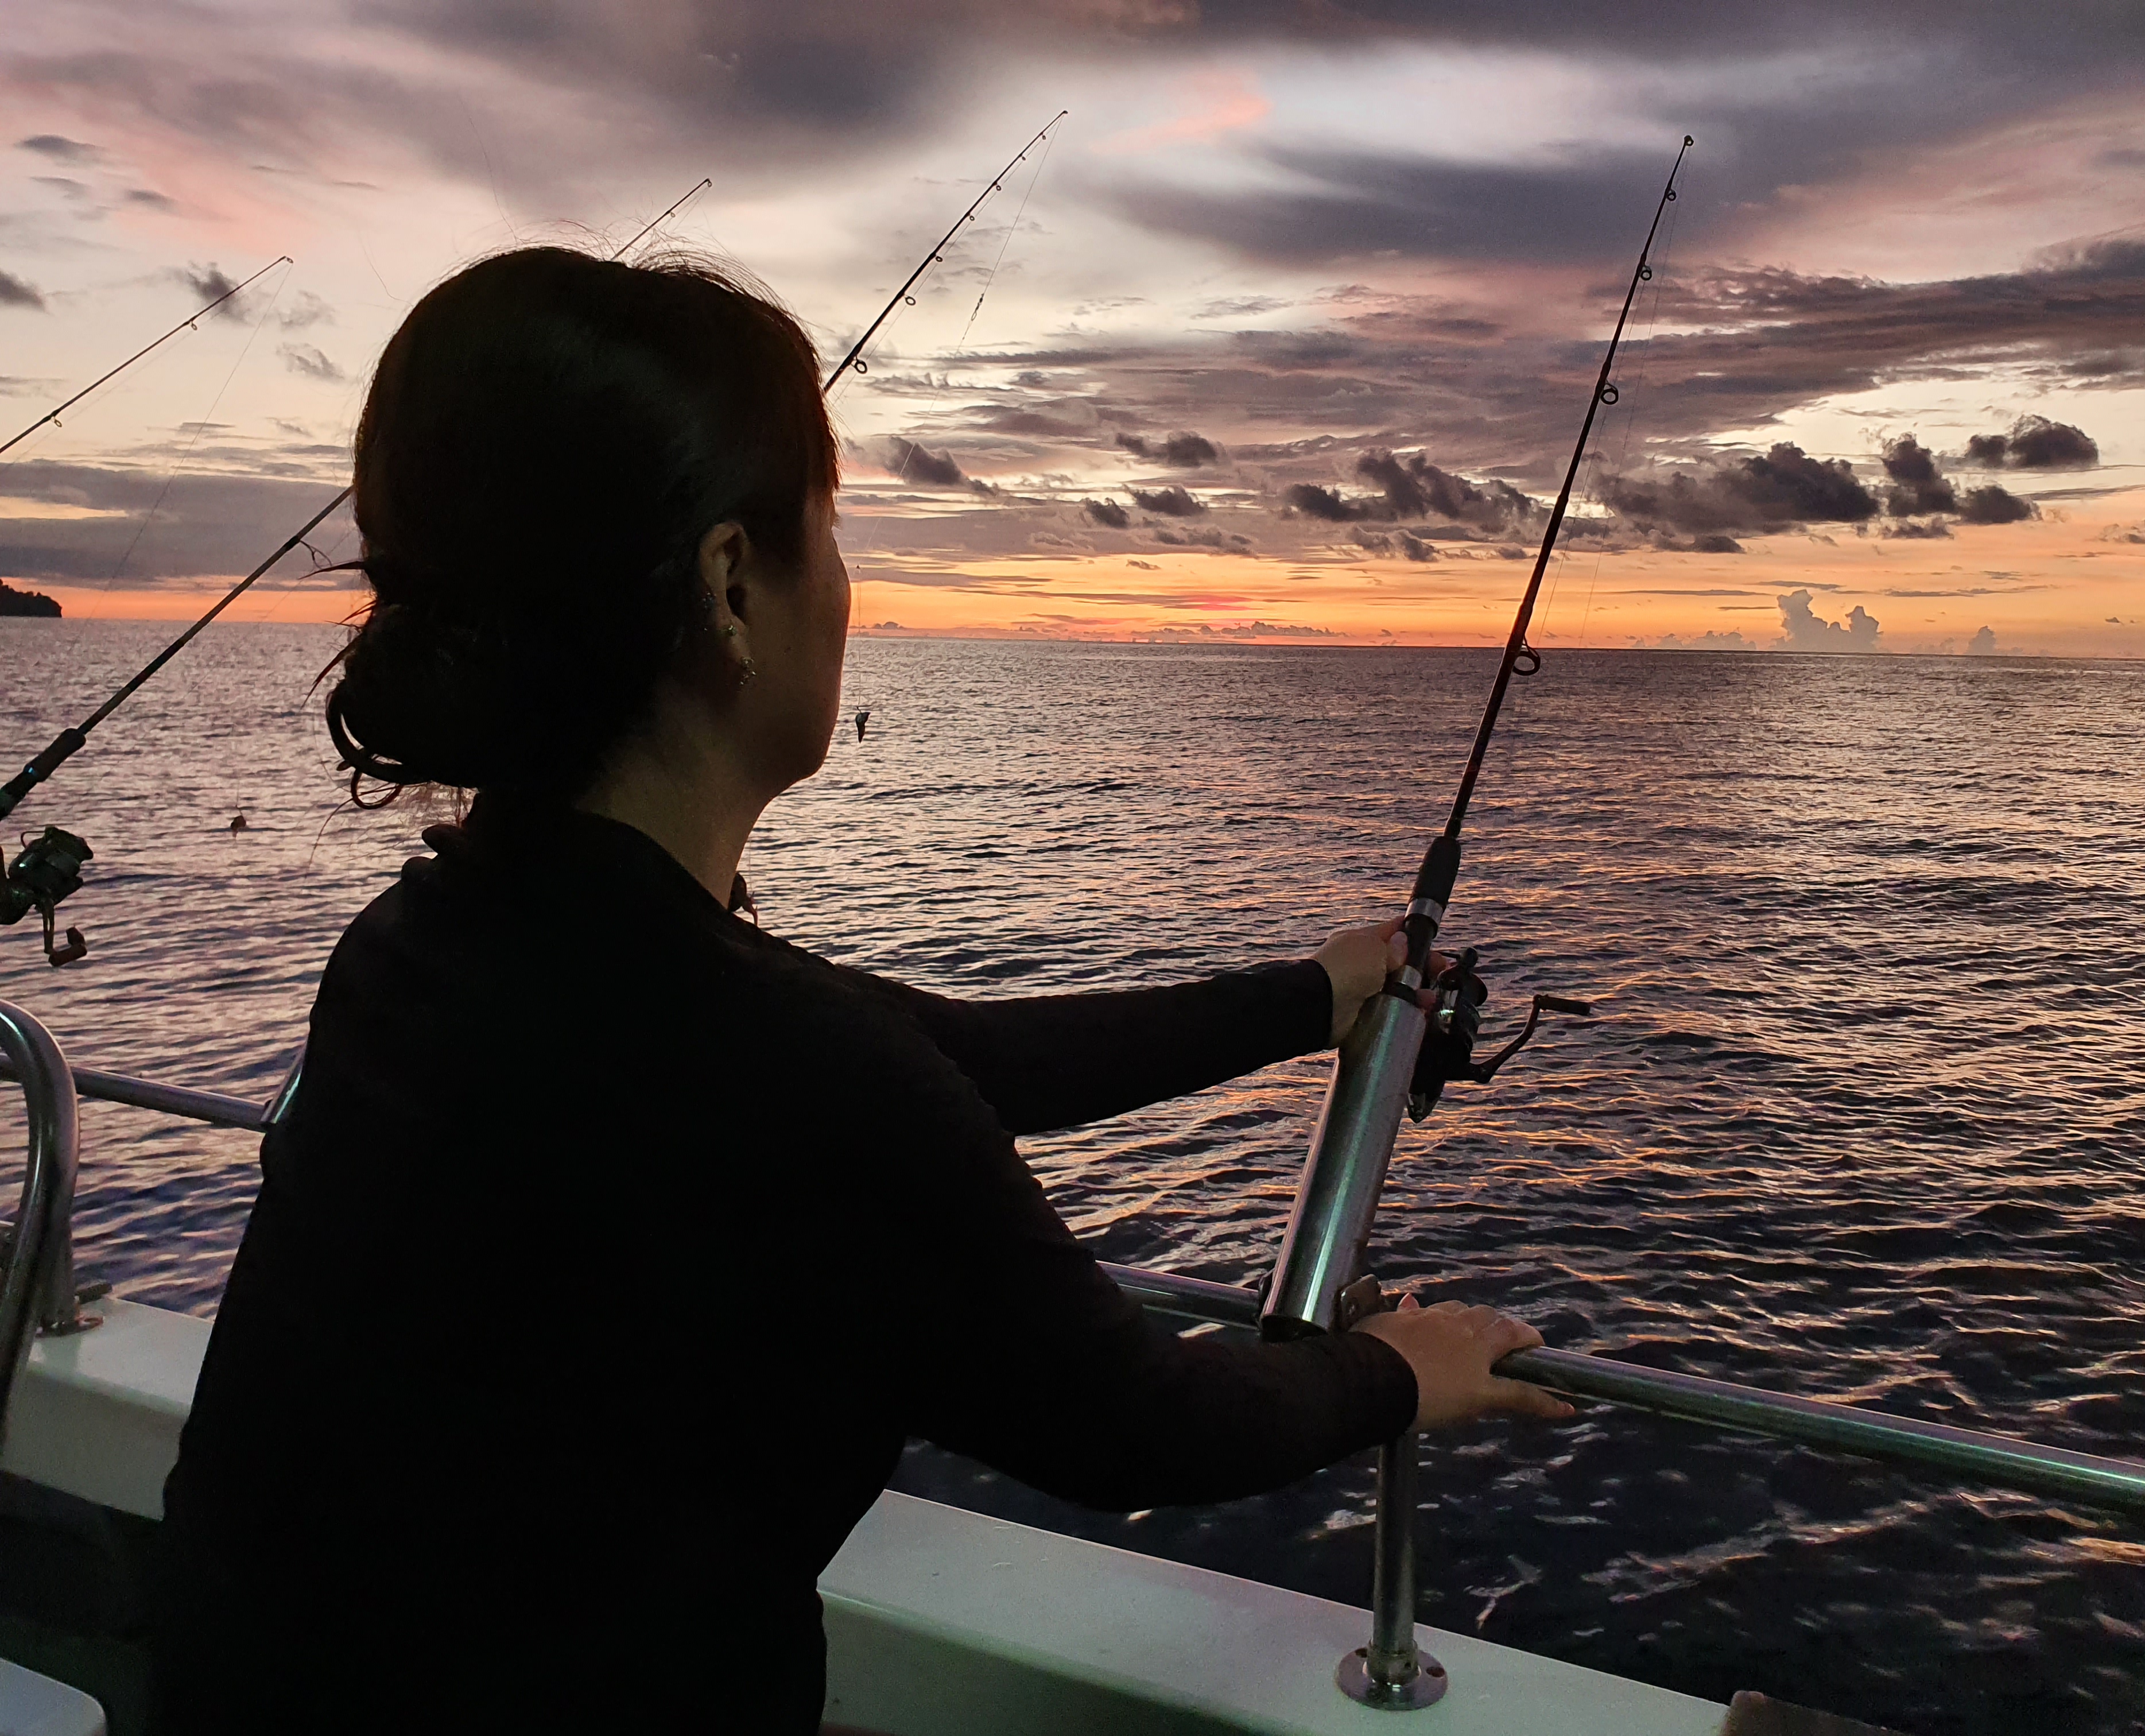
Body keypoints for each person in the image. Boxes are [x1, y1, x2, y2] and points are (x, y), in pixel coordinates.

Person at [153, 246, 1567, 1734]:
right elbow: (1140, 1426)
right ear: (731, 584)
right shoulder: (786, 1076)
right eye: (827, 527)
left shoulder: (423, 950)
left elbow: (927, 1060)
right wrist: (1397, 1371)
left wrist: (1308, 995)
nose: (849, 584)